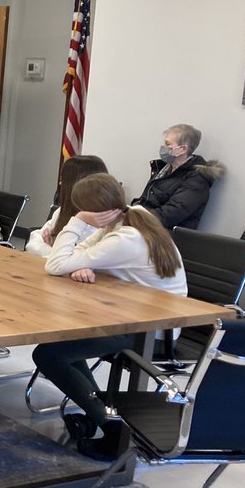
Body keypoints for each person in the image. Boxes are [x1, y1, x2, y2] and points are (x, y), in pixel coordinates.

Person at [33, 173, 187, 460]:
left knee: (49, 355)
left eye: (81, 210)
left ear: (94, 212)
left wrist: (76, 224)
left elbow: (55, 264)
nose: (78, 214)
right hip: (133, 315)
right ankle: (104, 411)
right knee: (65, 344)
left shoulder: (126, 238)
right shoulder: (133, 216)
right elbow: (77, 255)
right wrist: (82, 263)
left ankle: (113, 427)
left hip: (149, 330)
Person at [132, 124, 225, 230]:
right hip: (148, 226)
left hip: (166, 236)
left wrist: (135, 217)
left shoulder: (197, 179)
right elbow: (146, 200)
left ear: (183, 149)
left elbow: (170, 215)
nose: (163, 147)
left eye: (167, 144)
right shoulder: (164, 169)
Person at [25, 155, 109, 257]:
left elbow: (75, 260)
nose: (60, 183)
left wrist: (53, 249)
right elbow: (34, 240)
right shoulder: (62, 211)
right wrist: (54, 251)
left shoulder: (102, 222)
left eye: (63, 179)